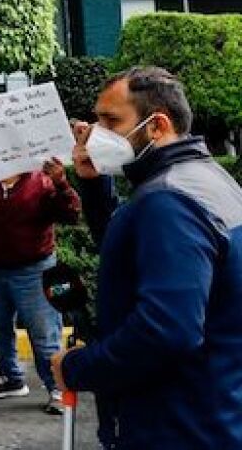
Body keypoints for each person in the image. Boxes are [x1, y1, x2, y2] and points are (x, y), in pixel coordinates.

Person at [56, 67, 242, 449]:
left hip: (177, 425)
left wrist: (78, 368)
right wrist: (94, 184)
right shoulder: (204, 179)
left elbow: (167, 329)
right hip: (213, 412)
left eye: (111, 120)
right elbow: (137, 250)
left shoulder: (168, 200)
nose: (97, 132)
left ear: (156, 126)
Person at [0, 156, 80, 414]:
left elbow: (71, 213)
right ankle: (11, 378)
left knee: (44, 333)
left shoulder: (41, 181)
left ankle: (57, 388)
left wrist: (62, 184)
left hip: (36, 269)